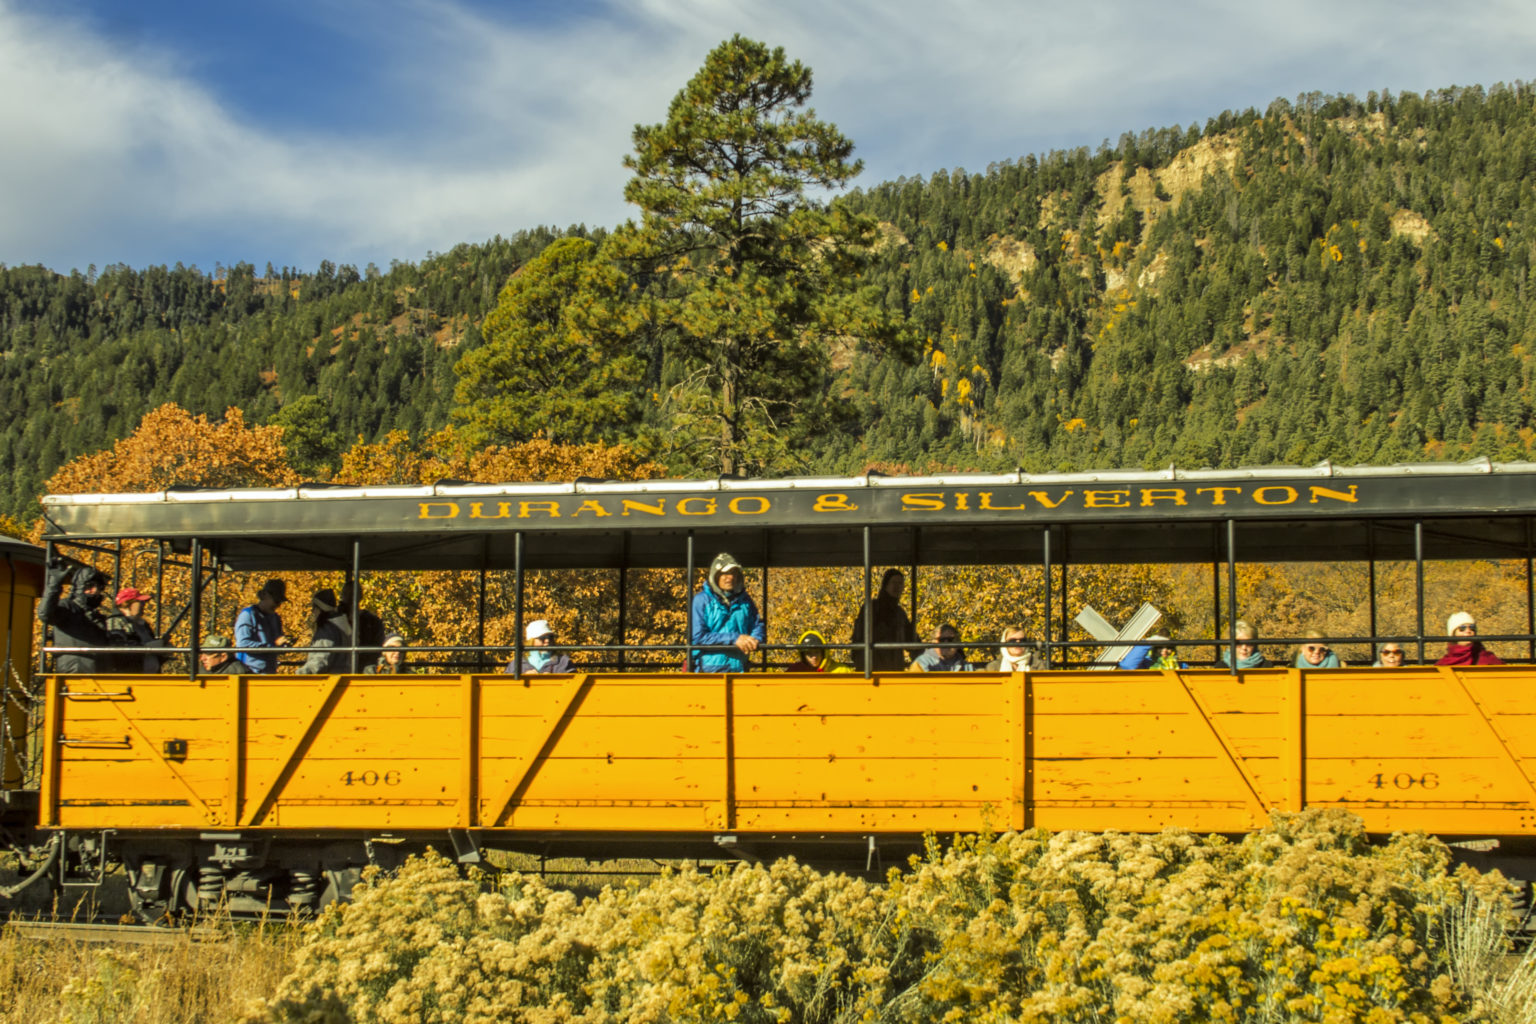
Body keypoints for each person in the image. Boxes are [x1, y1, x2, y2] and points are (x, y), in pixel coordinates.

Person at [37, 563, 126, 674]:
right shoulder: (68, 607)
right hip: (76, 673)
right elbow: (45, 614)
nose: (95, 590)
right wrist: (54, 585)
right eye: (89, 586)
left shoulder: (96, 616)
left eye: (99, 587)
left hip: (99, 672)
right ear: (79, 587)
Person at [690, 552, 766, 673]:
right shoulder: (702, 601)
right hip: (709, 673)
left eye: (733, 573)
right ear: (715, 575)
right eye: (724, 573)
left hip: (741, 670)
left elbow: (758, 625)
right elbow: (698, 637)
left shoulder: (745, 601)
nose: (730, 577)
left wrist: (755, 639)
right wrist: (734, 639)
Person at [850, 568, 918, 672]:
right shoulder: (871, 608)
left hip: (894, 669)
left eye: (900, 583)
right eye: (894, 582)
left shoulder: (900, 613)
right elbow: (859, 638)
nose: (897, 586)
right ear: (886, 585)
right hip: (872, 669)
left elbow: (911, 639)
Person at [235, 579, 290, 673]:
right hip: (249, 673)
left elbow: (277, 645)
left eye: (280, 602)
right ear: (264, 595)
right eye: (276, 601)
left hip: (269, 671)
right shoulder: (248, 615)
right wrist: (274, 645)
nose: (278, 605)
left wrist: (285, 646)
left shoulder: (275, 618)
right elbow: (242, 644)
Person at [108, 586, 162, 673]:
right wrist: (147, 648)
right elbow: (118, 649)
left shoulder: (142, 623)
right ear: (128, 603)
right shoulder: (115, 622)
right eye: (140, 602)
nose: (143, 606)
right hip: (129, 675)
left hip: (149, 676)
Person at [300, 589, 352, 674]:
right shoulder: (344, 627)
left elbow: (320, 660)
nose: (312, 611)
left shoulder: (327, 630)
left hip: (327, 682)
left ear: (319, 609)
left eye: (314, 608)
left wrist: (301, 673)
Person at [1437, 612, 1504, 666]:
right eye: (1462, 628)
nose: (1468, 631)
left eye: (1472, 627)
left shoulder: (1487, 658)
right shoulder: (1444, 664)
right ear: (1453, 634)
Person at [509, 619, 574, 674]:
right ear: (531, 641)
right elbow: (507, 686)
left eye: (550, 637)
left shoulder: (563, 662)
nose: (547, 640)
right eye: (542, 637)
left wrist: (554, 680)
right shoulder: (517, 664)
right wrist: (524, 679)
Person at [786, 630, 855, 673]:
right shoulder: (795, 671)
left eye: (816, 652)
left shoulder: (841, 671)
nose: (814, 657)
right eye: (808, 653)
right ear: (803, 655)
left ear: (823, 652)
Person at [1117, 634, 1186, 670]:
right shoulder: (1146, 664)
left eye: (1169, 647)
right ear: (1154, 649)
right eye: (1160, 647)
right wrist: (1148, 642)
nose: (1165, 650)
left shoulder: (1181, 667)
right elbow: (1128, 666)